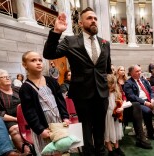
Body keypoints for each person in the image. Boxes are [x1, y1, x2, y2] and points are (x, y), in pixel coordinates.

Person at [43, 7, 112, 155]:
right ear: (80, 23)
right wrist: (56, 32)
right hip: (82, 93)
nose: (93, 20)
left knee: (100, 127)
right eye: (89, 18)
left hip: (102, 93)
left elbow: (106, 69)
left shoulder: (105, 43)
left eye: (95, 18)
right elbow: (49, 54)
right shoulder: (70, 40)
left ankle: (101, 152)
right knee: (85, 129)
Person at [19, 51, 70, 155]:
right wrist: (40, 129)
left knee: (60, 149)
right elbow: (29, 112)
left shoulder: (51, 81)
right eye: (33, 60)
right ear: (25, 65)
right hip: (42, 124)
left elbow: (60, 101)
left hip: (57, 120)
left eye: (40, 60)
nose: (38, 62)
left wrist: (65, 117)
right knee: (47, 151)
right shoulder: (25, 88)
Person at [124, 65, 154, 141]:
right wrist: (145, 103)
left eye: (140, 71)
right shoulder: (128, 83)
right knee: (148, 111)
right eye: (137, 71)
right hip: (139, 103)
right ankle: (151, 132)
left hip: (149, 100)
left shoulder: (144, 80)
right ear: (131, 73)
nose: (140, 73)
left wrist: (153, 99)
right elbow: (132, 97)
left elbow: (151, 91)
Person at [116, 66, 152, 149]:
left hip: (126, 105)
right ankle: (141, 137)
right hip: (118, 106)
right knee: (136, 105)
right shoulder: (117, 83)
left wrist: (124, 101)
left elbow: (125, 95)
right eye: (120, 70)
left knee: (136, 106)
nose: (122, 71)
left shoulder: (126, 82)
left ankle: (140, 137)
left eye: (123, 70)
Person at [0, 69, 29, 154]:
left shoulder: (18, 89)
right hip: (10, 119)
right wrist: (16, 119)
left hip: (27, 115)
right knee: (15, 129)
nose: (8, 78)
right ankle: (27, 153)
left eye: (8, 76)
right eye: (4, 77)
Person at [105, 74, 125, 156]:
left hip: (116, 114)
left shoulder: (116, 92)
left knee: (116, 131)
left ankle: (117, 147)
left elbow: (121, 102)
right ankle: (110, 150)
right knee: (108, 132)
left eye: (114, 86)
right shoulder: (104, 94)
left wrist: (122, 108)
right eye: (110, 86)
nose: (112, 88)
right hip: (107, 115)